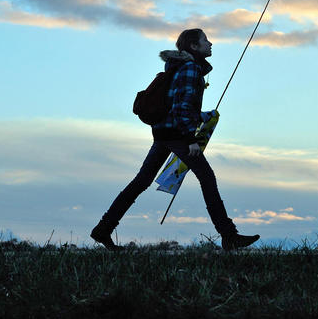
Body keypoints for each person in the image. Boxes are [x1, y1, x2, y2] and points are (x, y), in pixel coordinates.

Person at [91, 28, 260, 251]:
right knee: (207, 177)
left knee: (141, 182)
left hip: (163, 133)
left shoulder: (178, 67)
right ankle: (229, 236)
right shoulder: (190, 68)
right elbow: (182, 107)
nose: (210, 43)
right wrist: (190, 140)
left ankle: (103, 230)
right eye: (205, 40)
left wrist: (203, 117)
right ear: (194, 46)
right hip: (177, 135)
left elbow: (177, 106)